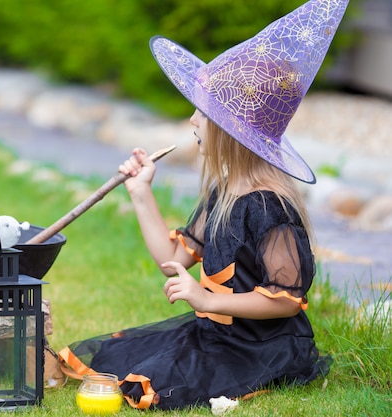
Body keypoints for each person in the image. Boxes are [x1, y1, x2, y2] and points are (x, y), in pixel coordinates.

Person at [58, 0, 348, 410]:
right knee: (114, 359)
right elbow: (172, 259)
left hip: (260, 346)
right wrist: (141, 193)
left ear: (231, 133)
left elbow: (284, 298)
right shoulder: (223, 195)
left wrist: (209, 300)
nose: (193, 120)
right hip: (215, 335)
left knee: (157, 385)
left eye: (203, 112)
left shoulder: (269, 208)